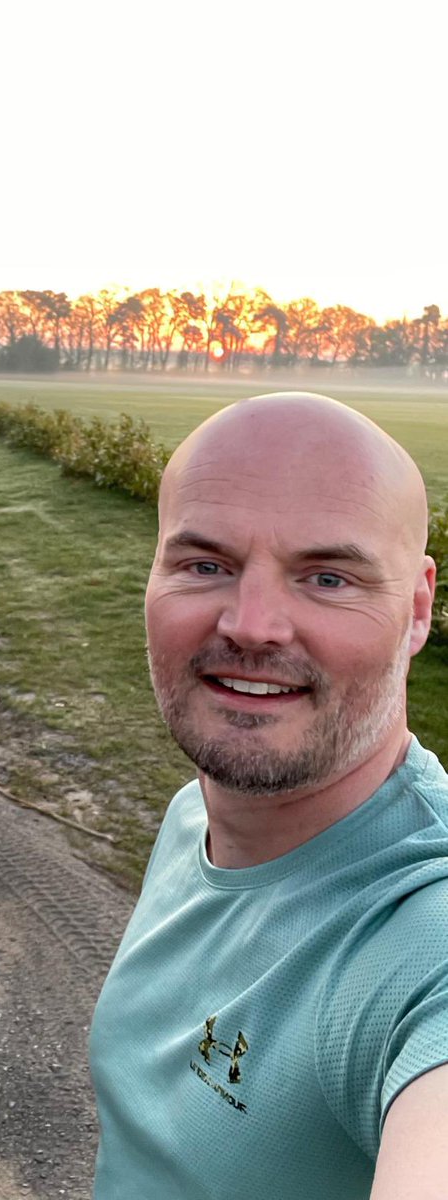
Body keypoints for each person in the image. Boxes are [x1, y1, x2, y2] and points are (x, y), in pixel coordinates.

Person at [89, 392, 448, 1199]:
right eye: (204, 565)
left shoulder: (425, 938)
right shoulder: (194, 815)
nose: (251, 626)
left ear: (416, 609)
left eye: (326, 578)